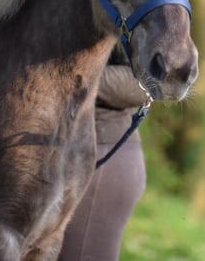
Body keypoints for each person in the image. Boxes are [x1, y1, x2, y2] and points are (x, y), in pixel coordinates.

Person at [58, 52, 149, 261]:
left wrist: (64, 77)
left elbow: (147, 80)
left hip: (104, 156)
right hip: (49, 157)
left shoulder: (127, 21)